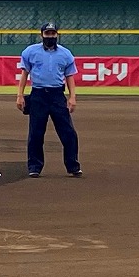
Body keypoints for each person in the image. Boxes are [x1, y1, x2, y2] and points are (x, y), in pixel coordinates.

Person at [16, 21, 81, 178]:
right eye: (47, 33)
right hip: (38, 95)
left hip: (57, 95)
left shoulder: (65, 54)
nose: (50, 36)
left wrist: (72, 97)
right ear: (42, 35)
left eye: (53, 33)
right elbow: (24, 74)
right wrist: (20, 95)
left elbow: (69, 76)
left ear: (57, 35)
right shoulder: (31, 52)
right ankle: (34, 167)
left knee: (68, 133)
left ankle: (73, 165)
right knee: (36, 133)